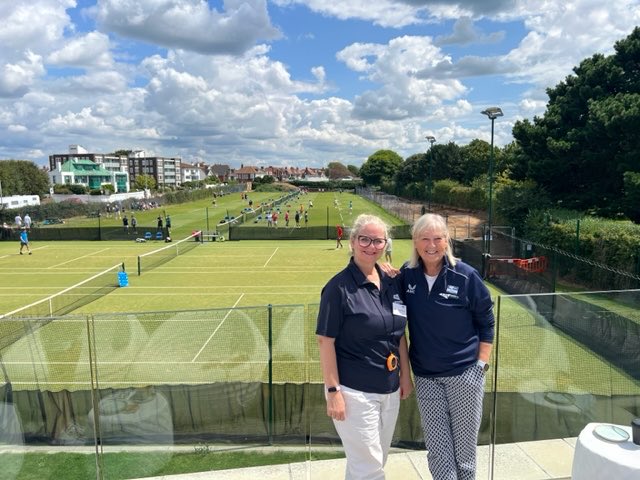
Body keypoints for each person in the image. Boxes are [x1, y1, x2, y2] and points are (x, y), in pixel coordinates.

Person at [396, 213, 494, 480]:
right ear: (415, 242)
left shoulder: (466, 276)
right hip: (426, 377)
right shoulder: (407, 275)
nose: (431, 245)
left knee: (464, 455)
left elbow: (486, 322)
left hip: (464, 375)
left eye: (437, 238)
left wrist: (480, 366)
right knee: (438, 452)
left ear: (447, 240)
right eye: (424, 238)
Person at [316, 214, 413, 480]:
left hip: (389, 389)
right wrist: (333, 390)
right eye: (364, 239)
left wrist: (405, 375)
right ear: (352, 241)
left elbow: (399, 334)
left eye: (378, 240)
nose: (371, 246)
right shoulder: (338, 288)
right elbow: (325, 341)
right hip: (354, 392)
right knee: (370, 469)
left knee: (370, 461)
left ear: (386, 244)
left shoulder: (392, 281)